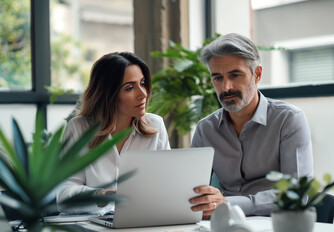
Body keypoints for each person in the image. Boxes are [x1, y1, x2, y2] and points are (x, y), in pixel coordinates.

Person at [189, 33, 313, 219]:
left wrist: (228, 204)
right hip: (223, 228)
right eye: (217, 78)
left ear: (257, 74)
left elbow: (296, 194)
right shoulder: (206, 129)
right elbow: (192, 193)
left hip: (276, 226)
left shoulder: (288, 120)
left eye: (235, 75)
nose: (226, 87)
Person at [57, 52, 170, 214]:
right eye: (130, 88)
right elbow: (64, 195)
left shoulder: (155, 125)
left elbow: (167, 184)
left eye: (143, 83)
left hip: (141, 221)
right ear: (107, 94)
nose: (143, 94)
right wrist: (102, 196)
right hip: (92, 227)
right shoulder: (79, 128)